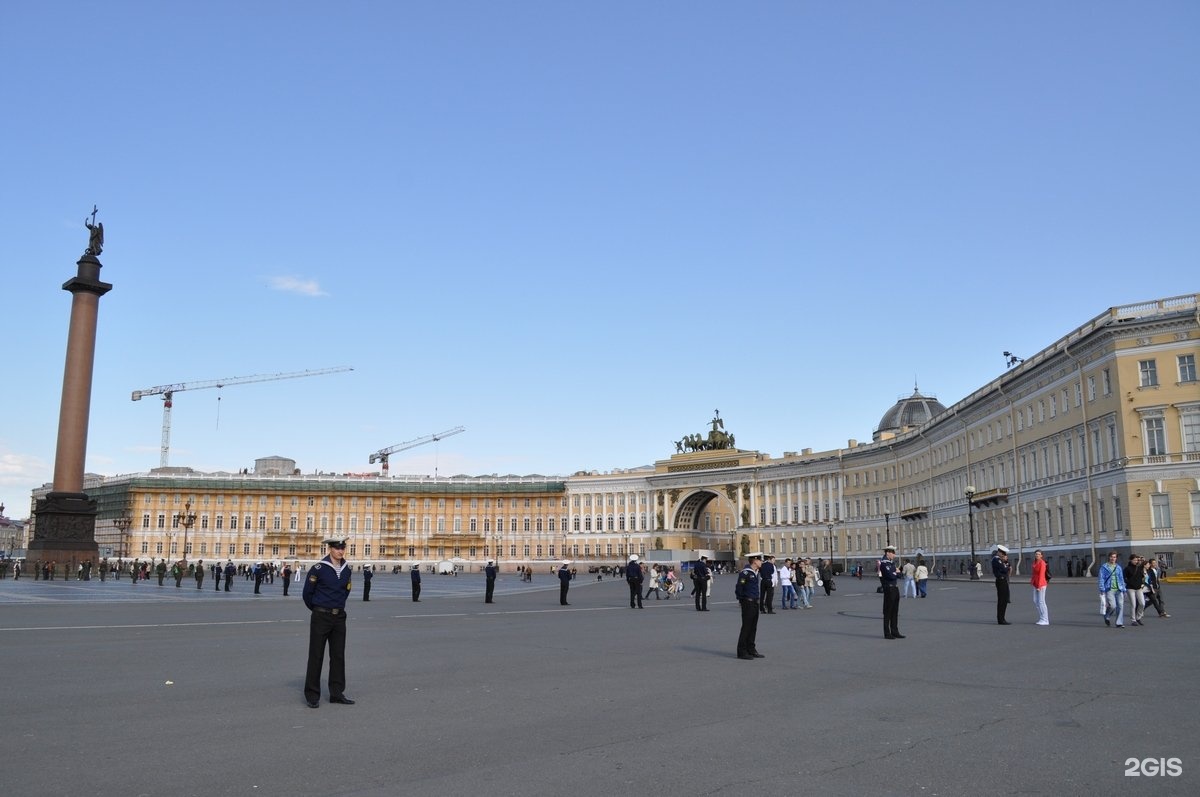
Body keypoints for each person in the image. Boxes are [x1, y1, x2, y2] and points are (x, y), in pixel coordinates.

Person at [302, 537, 354, 709]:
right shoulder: (319, 568)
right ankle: (312, 695)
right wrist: (318, 609)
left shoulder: (346, 569)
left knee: (338, 656)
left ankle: (337, 693)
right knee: (316, 655)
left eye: (343, 548)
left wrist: (336, 608)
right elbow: (307, 594)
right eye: (338, 548)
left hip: (339, 617)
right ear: (330, 549)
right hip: (321, 616)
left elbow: (346, 591)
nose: (341, 551)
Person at [734, 553, 764, 660]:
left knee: (753, 627)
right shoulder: (745, 573)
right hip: (748, 602)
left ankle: (751, 649)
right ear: (755, 561)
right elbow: (739, 587)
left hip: (755, 602)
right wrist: (741, 600)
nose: (761, 562)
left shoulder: (756, 572)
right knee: (746, 627)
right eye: (760, 560)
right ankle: (742, 651)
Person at [879, 545, 904, 639]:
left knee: (895, 611)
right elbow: (891, 576)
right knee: (888, 612)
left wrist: (896, 573)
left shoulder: (891, 563)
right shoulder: (884, 563)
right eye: (893, 553)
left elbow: (900, 574)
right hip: (889, 589)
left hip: (895, 588)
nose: (894, 555)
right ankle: (887, 633)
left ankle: (895, 631)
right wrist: (896, 573)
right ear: (888, 553)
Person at [1098, 551, 1126, 628]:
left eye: (1114, 557)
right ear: (1109, 557)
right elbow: (1101, 579)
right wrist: (1102, 589)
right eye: (1111, 557)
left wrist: (1124, 589)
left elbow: (1121, 578)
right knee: (1113, 606)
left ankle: (1119, 623)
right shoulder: (1104, 567)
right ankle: (1107, 616)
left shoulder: (1118, 567)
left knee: (1120, 606)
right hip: (1109, 589)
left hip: (1119, 589)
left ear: (1116, 558)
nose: (1113, 558)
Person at [1123, 554, 1146, 626]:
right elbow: (1124, 578)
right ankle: (1133, 620)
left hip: (1139, 588)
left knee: (1142, 603)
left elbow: (1142, 577)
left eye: (1137, 560)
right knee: (1133, 604)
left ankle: (1138, 617)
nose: (1136, 561)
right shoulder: (1127, 568)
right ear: (1131, 560)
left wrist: (1142, 584)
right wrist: (1129, 582)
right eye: (1135, 560)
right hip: (1130, 588)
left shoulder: (1139, 568)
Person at [992, 545, 1012, 624]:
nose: (1004, 555)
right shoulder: (996, 559)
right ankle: (1001, 619)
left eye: (1004, 554)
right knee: (1001, 600)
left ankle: (1002, 617)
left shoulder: (1001, 560)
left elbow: (1008, 566)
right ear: (999, 552)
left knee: (1005, 600)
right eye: (1002, 553)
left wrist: (1006, 563)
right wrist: (1007, 565)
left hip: (1004, 580)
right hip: (1000, 580)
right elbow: (1004, 569)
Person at [1030, 549, 1049, 625]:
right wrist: (1032, 582)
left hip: (1041, 584)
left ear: (1041, 555)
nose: (1037, 555)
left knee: (1041, 602)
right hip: (1035, 583)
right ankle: (1041, 617)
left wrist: (1039, 585)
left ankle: (1045, 619)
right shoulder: (1035, 562)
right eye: (1036, 554)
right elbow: (1034, 573)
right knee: (1035, 600)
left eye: (1038, 554)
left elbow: (1041, 575)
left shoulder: (1042, 563)